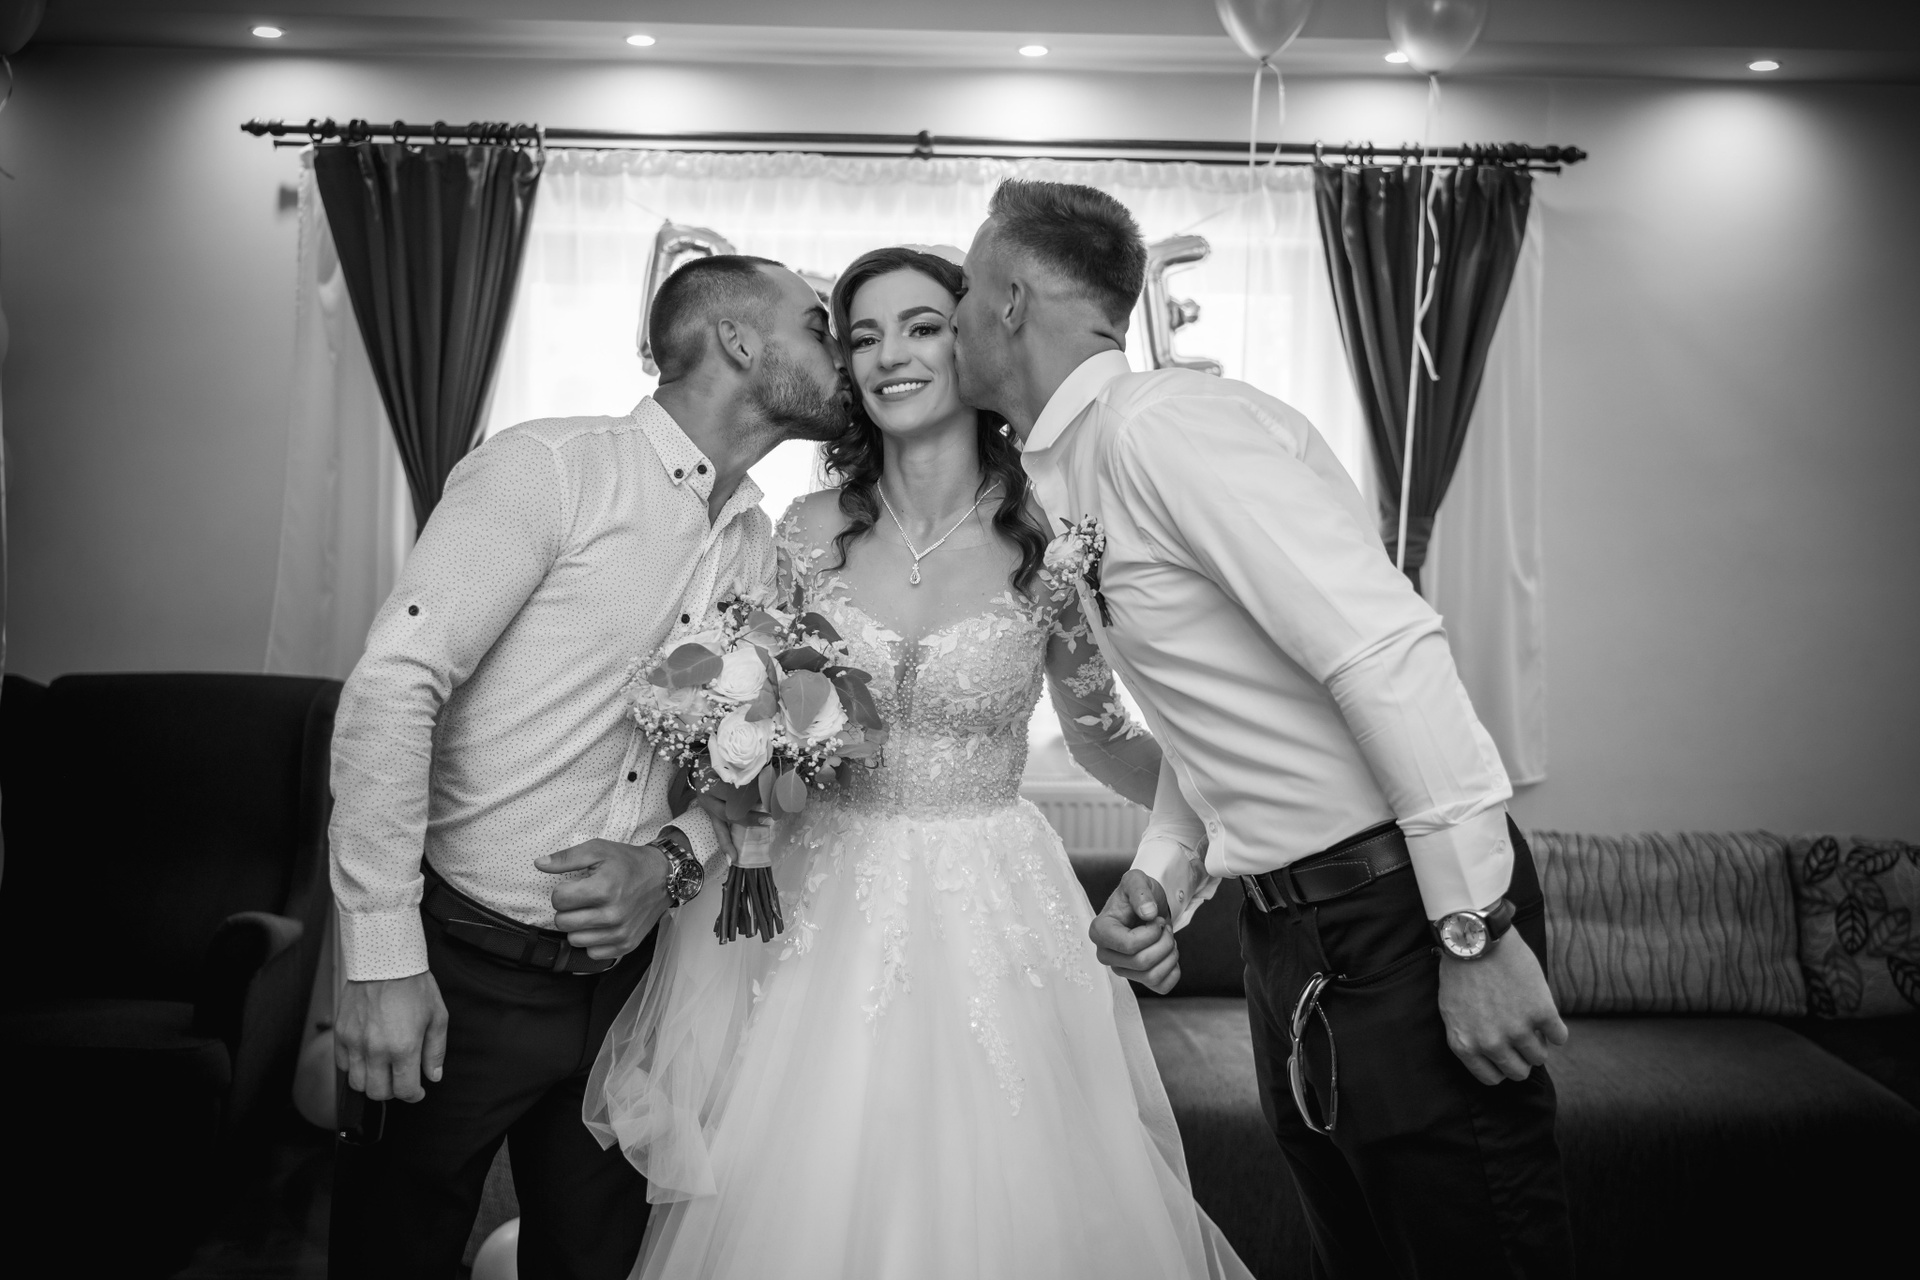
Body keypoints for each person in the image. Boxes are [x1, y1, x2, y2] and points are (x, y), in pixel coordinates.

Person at [588, 246, 1253, 1279]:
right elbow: (741, 713)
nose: (890, 354)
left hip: (997, 906)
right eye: (862, 336)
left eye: (922, 326)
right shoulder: (798, 536)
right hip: (816, 912)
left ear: (973, 342)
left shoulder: (1054, 537)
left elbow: (1106, 736)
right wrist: (733, 744)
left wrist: (1219, 816)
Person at [951, 179, 1576, 1278]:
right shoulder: (1074, 473)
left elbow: (1379, 651)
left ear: (1009, 299)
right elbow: (1216, 713)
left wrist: (1471, 926)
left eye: (960, 293)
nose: (951, 320)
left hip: (1398, 916)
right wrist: (1163, 871)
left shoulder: (1164, 428)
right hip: (1290, 934)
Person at [326, 255, 849, 1280]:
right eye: (819, 323)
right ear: (739, 339)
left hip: (632, 995)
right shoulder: (549, 469)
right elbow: (394, 685)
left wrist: (668, 862)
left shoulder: (764, 547)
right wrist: (382, 958)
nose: (842, 352)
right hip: (457, 972)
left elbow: (755, 765)